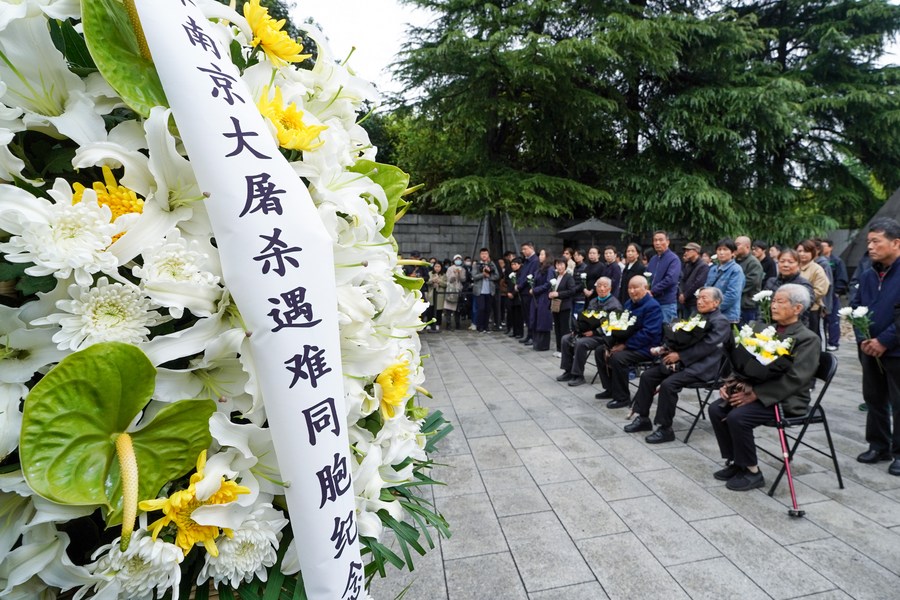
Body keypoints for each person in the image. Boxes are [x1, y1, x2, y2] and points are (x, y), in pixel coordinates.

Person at [708, 284, 820, 491]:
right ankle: (736, 461)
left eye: (780, 302)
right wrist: (731, 382)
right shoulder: (765, 329)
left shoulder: (807, 339)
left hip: (785, 398)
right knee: (716, 408)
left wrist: (756, 394)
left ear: (797, 308)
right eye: (773, 301)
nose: (774, 306)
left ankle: (752, 471)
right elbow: (745, 362)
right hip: (754, 387)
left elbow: (796, 378)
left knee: (738, 417)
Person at [624, 287, 731, 443]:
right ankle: (643, 417)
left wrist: (680, 356)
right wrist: (668, 348)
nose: (700, 301)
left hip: (703, 367)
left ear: (716, 302)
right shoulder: (696, 316)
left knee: (668, 384)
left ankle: (665, 428)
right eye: (699, 298)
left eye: (704, 298)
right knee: (648, 376)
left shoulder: (720, 321)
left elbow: (707, 347)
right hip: (683, 363)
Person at [852, 218, 900, 476]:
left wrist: (884, 340)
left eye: (875, 241)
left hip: (895, 349)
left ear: (896, 243)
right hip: (869, 348)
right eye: (868, 241)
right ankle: (878, 444)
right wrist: (863, 338)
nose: (870, 246)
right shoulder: (870, 273)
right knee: (874, 398)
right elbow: (856, 306)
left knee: (899, 400)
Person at [596, 276, 663, 408]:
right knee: (600, 351)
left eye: (635, 288)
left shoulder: (652, 307)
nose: (632, 291)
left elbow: (648, 333)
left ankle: (622, 397)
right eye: (629, 288)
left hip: (646, 347)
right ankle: (610, 389)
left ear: (645, 288)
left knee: (618, 358)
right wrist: (614, 343)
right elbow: (621, 326)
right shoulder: (628, 303)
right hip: (628, 343)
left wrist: (625, 346)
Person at [557, 277, 623, 386]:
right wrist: (578, 329)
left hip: (603, 336)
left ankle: (578, 375)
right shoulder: (593, 301)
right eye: (599, 286)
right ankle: (568, 371)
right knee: (566, 338)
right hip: (587, 332)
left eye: (605, 286)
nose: (602, 289)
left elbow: (612, 325)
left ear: (610, 289)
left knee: (581, 343)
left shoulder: (615, 304)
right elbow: (585, 317)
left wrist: (595, 332)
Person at [705, 238, 745, 323]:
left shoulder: (736, 270)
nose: (721, 252)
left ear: (733, 253)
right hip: (710, 314)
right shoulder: (713, 269)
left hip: (728, 316)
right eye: (719, 249)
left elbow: (732, 295)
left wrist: (713, 307)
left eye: (725, 249)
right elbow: (707, 288)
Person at [796, 239, 830, 339]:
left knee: (813, 337)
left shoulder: (817, 269)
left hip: (812, 309)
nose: (802, 254)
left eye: (806, 251)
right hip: (793, 309)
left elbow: (820, 290)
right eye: (799, 251)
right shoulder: (794, 267)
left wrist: (802, 300)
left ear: (813, 253)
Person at [646, 231, 681, 323]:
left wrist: (653, 291)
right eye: (655, 240)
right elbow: (647, 277)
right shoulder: (653, 259)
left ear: (668, 242)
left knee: (667, 332)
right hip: (651, 301)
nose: (657, 243)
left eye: (661, 240)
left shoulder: (673, 259)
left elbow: (671, 279)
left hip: (666, 303)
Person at [548, 257, 579, 357]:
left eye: (561, 264)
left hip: (565, 306)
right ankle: (558, 348)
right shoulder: (557, 277)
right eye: (557, 264)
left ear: (565, 265)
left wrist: (558, 294)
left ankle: (565, 350)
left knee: (564, 329)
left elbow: (572, 291)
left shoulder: (568, 277)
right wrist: (551, 294)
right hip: (556, 306)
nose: (559, 266)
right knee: (557, 328)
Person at [821, 239, 848, 351]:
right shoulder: (819, 261)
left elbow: (842, 278)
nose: (822, 248)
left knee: (833, 319)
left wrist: (837, 292)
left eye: (824, 246)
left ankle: (833, 342)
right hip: (823, 295)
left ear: (831, 247)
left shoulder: (837, 261)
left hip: (832, 295)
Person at [734, 236, 764, 325]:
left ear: (747, 246)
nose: (734, 247)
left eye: (738, 245)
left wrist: (732, 289)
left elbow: (751, 282)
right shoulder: (734, 261)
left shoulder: (753, 263)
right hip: (736, 304)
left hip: (747, 305)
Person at [529, 249, 553, 351]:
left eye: (543, 254)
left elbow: (548, 284)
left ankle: (543, 344)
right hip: (536, 297)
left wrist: (535, 290)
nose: (540, 256)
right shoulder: (539, 268)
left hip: (543, 297)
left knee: (542, 321)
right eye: (540, 254)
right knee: (535, 319)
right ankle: (536, 342)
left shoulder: (550, 269)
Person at [471, 247, 499, 333]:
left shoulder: (492, 264)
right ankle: (480, 326)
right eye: (482, 254)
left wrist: (489, 276)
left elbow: (497, 276)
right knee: (481, 308)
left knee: (488, 309)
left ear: (488, 255)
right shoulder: (476, 265)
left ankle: (486, 326)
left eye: (486, 254)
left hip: (490, 290)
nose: (484, 255)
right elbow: (474, 276)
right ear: (480, 255)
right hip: (480, 291)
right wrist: (482, 274)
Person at [678, 242, 709, 317]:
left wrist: (685, 295)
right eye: (685, 251)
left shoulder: (703, 266)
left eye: (688, 250)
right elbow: (682, 279)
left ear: (696, 251)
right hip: (685, 301)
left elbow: (698, 283)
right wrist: (681, 293)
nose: (686, 253)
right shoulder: (688, 264)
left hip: (694, 301)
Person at [517, 241, 539, 344]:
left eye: (525, 249)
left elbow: (530, 276)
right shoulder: (526, 261)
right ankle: (528, 335)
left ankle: (532, 336)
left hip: (528, 291)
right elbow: (522, 274)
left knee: (531, 315)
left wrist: (521, 285)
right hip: (523, 291)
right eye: (522, 250)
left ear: (531, 248)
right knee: (526, 314)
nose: (523, 251)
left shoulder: (535, 261)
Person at [444, 255, 467, 330]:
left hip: (459, 289)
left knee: (458, 308)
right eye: (456, 259)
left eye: (459, 259)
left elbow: (463, 279)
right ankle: (448, 324)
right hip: (451, 290)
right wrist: (454, 273)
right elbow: (449, 279)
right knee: (449, 308)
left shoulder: (463, 269)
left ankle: (457, 324)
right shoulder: (450, 268)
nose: (458, 260)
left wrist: (459, 273)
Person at [506, 257, 525, 338]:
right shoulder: (512, 273)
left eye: (515, 264)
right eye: (512, 264)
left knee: (519, 316)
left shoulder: (521, 273)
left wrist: (513, 293)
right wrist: (508, 292)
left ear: (519, 265)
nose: (513, 266)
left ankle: (520, 332)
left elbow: (519, 285)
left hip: (518, 297)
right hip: (511, 297)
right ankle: (514, 331)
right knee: (512, 315)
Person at [427, 262, 447, 331]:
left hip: (440, 294)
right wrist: (432, 280)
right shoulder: (430, 273)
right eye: (436, 266)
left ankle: (438, 324)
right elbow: (427, 282)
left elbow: (445, 284)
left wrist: (439, 281)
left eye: (439, 267)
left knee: (439, 310)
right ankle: (429, 324)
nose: (437, 268)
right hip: (431, 293)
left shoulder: (444, 275)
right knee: (430, 309)